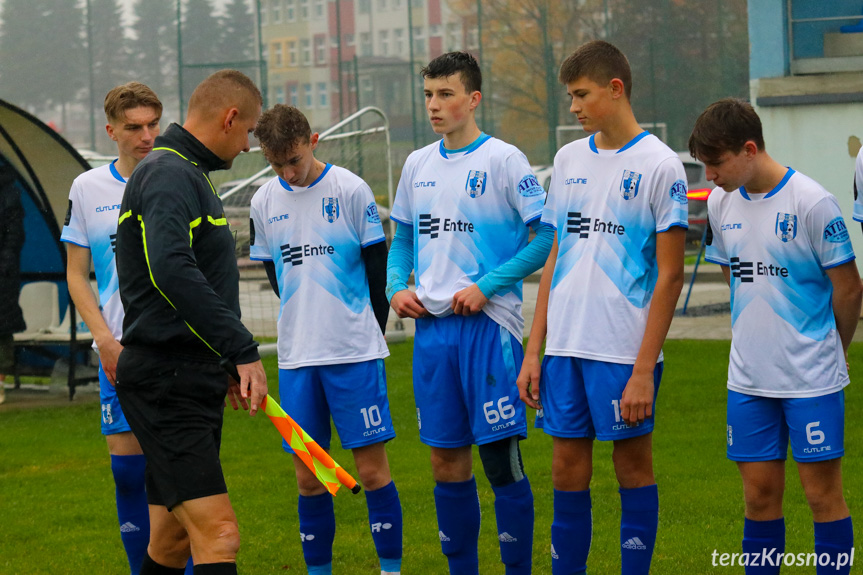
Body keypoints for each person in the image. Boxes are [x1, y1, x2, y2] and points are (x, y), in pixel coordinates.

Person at [517, 40, 688, 575]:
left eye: (581, 95)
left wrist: (643, 369)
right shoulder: (568, 160)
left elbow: (670, 274)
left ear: (615, 90)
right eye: (570, 96)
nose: (574, 107)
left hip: (621, 351)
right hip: (565, 347)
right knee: (566, 470)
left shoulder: (661, 166)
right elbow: (555, 258)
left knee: (632, 467)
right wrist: (534, 349)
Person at [387, 51, 553, 575]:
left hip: (489, 329)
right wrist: (395, 286)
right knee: (444, 462)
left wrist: (488, 285)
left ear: (473, 98)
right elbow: (403, 239)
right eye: (429, 95)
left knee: (500, 463)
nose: (434, 105)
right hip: (433, 333)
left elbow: (545, 235)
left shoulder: (504, 159)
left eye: (446, 94)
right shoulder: (417, 164)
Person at [691, 98, 861, 575]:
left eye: (716, 163)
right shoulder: (723, 204)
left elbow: (849, 288)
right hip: (747, 382)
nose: (710, 177)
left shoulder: (811, 201)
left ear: (749, 149)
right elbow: (734, 279)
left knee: (822, 496)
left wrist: (835, 351)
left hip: (810, 380)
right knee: (759, 498)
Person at [114, 69, 268, 575]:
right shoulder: (169, 173)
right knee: (219, 533)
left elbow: (197, 277)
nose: (248, 145)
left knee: (174, 538)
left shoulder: (188, 175)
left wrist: (222, 359)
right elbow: (171, 269)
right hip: (167, 382)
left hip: (190, 376)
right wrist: (242, 348)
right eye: (247, 131)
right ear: (229, 118)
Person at [249, 104, 402, 575]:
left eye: (294, 160)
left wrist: (364, 332)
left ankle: (390, 570)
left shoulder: (351, 190)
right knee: (310, 478)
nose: (288, 173)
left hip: (353, 354)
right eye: (277, 165)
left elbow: (377, 274)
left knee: (372, 472)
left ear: (313, 142)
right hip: (297, 361)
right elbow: (276, 275)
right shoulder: (262, 202)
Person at [60, 82, 190, 575]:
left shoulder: (180, 177)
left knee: (180, 474)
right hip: (120, 352)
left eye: (154, 124)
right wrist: (105, 341)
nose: (147, 136)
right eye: (134, 127)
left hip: (177, 352)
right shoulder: (87, 188)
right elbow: (76, 274)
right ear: (112, 130)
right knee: (128, 472)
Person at [0, 163, 26, 405]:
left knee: (1, 329)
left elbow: (14, 234)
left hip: (3, 277)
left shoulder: (9, 192)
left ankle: (0, 384)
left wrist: (5, 264)